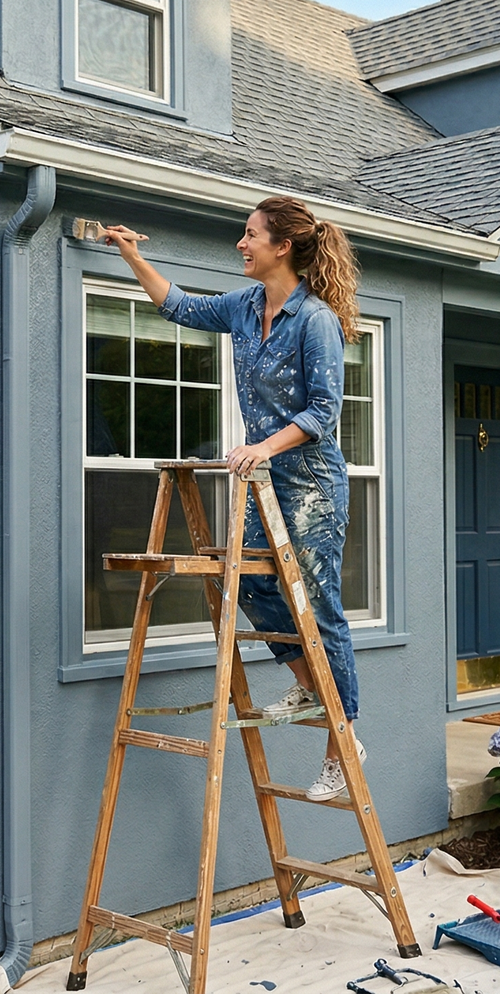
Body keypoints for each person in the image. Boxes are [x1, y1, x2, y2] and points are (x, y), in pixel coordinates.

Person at [101, 196, 366, 801]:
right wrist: (132, 256)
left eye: (250, 235)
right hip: (265, 480)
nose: (240, 245)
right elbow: (179, 307)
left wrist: (264, 447)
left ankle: (341, 742)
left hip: (312, 485)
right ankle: (309, 684)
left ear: (283, 248)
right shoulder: (246, 307)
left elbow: (323, 411)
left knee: (318, 605)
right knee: (246, 581)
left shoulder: (315, 318)